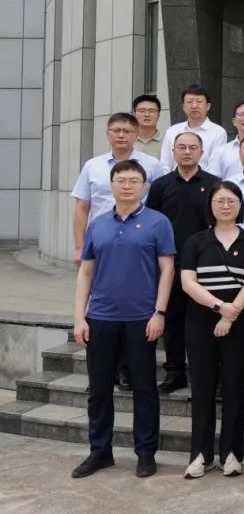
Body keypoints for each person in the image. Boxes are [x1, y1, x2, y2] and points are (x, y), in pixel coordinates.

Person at [70, 160, 175, 479]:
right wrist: (79, 318)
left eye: (133, 181)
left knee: (145, 389)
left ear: (144, 186)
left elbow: (167, 270)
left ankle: (146, 453)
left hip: (142, 318)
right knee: (99, 389)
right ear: (112, 185)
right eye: (121, 180)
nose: (127, 186)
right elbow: (86, 272)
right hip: (100, 317)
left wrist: (159, 312)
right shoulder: (98, 224)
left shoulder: (158, 222)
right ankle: (100, 452)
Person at [178, 180, 244, 479]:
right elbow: (188, 282)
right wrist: (219, 307)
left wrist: (231, 314)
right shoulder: (196, 241)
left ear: (240, 205)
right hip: (200, 323)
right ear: (210, 206)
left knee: (234, 387)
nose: (226, 206)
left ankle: (231, 454)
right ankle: (201, 454)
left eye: (231, 201)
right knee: (202, 388)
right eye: (220, 201)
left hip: (238, 324)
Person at [147, 132, 221, 394]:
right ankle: (175, 372)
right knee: (173, 319)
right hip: (171, 263)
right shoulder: (161, 185)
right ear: (173, 151)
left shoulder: (214, 184)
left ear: (202, 152)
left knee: (207, 320)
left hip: (206, 264)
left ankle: (209, 375)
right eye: (182, 147)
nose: (187, 152)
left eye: (192, 147)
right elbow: (153, 223)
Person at [72, 113, 164, 264]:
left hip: (141, 238)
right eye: (116, 130)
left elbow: (161, 203)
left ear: (136, 134)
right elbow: (82, 207)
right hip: (100, 236)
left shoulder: (152, 165)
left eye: (127, 131)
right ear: (107, 134)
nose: (121, 135)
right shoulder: (92, 165)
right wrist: (78, 247)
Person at [160, 84, 227, 171]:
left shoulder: (218, 132)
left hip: (204, 179)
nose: (194, 106)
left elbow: (215, 167)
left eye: (199, 102)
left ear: (208, 106)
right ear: (184, 107)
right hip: (175, 178)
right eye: (189, 102)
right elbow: (165, 165)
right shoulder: (172, 131)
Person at [132, 94, 163, 159]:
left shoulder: (167, 141)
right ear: (134, 114)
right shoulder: (126, 140)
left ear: (158, 115)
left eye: (152, 111)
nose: (147, 114)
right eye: (142, 111)